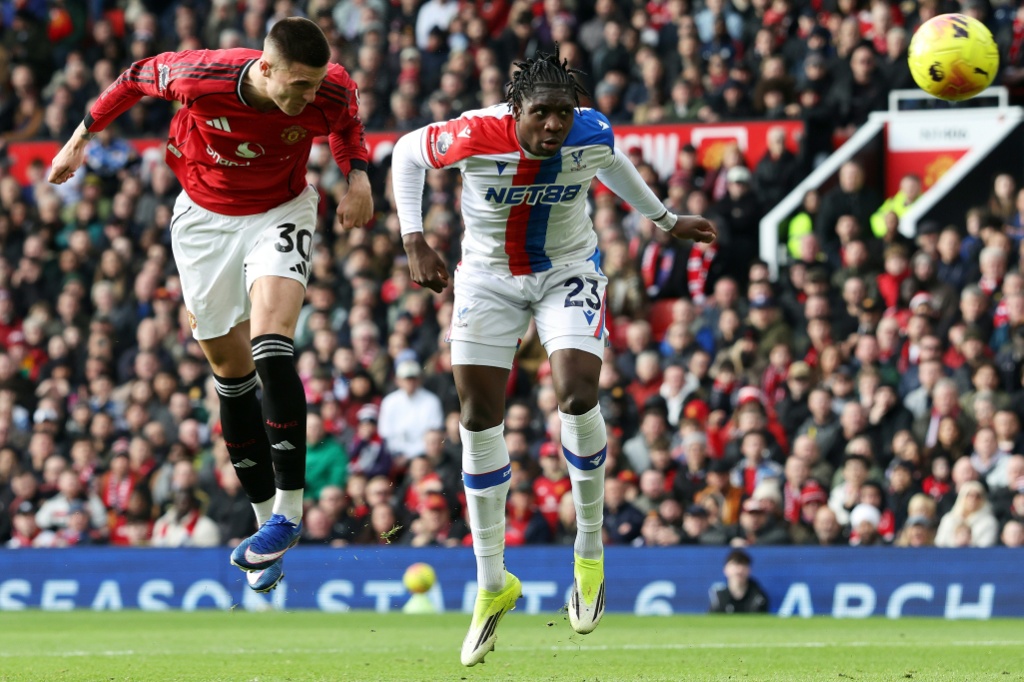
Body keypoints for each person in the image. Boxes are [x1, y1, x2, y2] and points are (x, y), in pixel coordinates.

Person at [391, 46, 715, 665]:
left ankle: (588, 553)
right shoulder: (473, 134)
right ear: (517, 108)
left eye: (563, 114)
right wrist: (414, 238)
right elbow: (406, 151)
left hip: (568, 271)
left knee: (575, 392)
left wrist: (666, 220)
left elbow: (612, 163)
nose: (553, 127)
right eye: (541, 113)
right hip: (486, 277)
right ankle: (493, 585)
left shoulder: (589, 133)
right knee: (478, 416)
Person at [47, 17, 373, 593]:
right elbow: (131, 78)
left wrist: (358, 177)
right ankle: (262, 527)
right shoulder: (200, 75)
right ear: (266, 68)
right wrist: (80, 137)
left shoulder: (330, 87)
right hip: (204, 221)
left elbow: (346, 126)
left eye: (314, 83)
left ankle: (289, 515)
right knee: (231, 372)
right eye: (296, 84)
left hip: (282, 210)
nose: (306, 97)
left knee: (272, 342)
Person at [708, 548, 769, 613]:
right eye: (735, 564)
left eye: (743, 565)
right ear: (725, 569)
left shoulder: (758, 598)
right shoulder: (719, 598)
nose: (739, 570)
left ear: (749, 570)